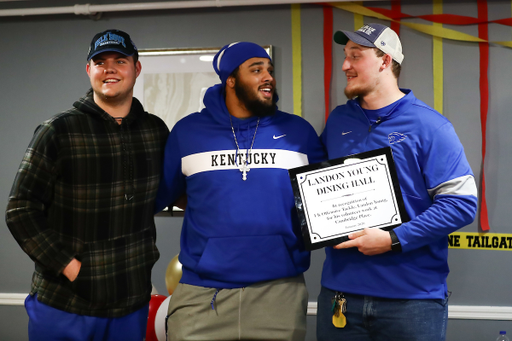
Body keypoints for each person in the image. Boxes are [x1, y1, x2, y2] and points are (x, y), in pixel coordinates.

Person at [317, 23, 478, 341]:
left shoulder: (430, 125)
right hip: (341, 297)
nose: (345, 65)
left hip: (412, 302)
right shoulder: (338, 121)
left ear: (385, 60)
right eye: (345, 56)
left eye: (356, 55)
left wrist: (393, 238)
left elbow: (461, 204)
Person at [155, 41, 325, 341]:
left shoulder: (299, 132)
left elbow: (324, 197)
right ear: (230, 80)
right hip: (202, 294)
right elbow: (169, 194)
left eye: (269, 70)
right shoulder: (188, 132)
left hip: (279, 293)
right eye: (256, 69)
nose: (268, 76)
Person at [5, 29, 169, 341]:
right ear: (88, 70)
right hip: (65, 304)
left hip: (131, 305)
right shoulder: (58, 131)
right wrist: (71, 268)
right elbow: (20, 210)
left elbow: (163, 194)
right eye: (100, 61)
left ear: (137, 68)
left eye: (120, 61)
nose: (109, 69)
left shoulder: (155, 131)